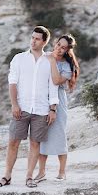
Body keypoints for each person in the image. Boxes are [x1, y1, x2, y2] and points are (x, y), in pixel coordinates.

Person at [0, 26, 58, 189]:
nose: (33, 41)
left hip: (41, 109)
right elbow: (12, 83)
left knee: (35, 144)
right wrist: (14, 104)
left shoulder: (49, 61)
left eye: (37, 38)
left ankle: (29, 177)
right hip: (21, 108)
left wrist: (53, 109)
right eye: (32, 37)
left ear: (44, 41)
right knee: (13, 141)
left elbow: (53, 86)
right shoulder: (19, 58)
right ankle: (6, 175)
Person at [36, 34, 80, 182]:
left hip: (59, 102)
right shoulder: (44, 57)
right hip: (42, 99)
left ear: (67, 50)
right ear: (55, 43)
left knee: (59, 134)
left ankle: (62, 171)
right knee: (42, 136)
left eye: (63, 48)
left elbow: (55, 80)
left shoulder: (66, 66)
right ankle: (41, 172)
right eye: (58, 45)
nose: (59, 49)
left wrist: (53, 61)